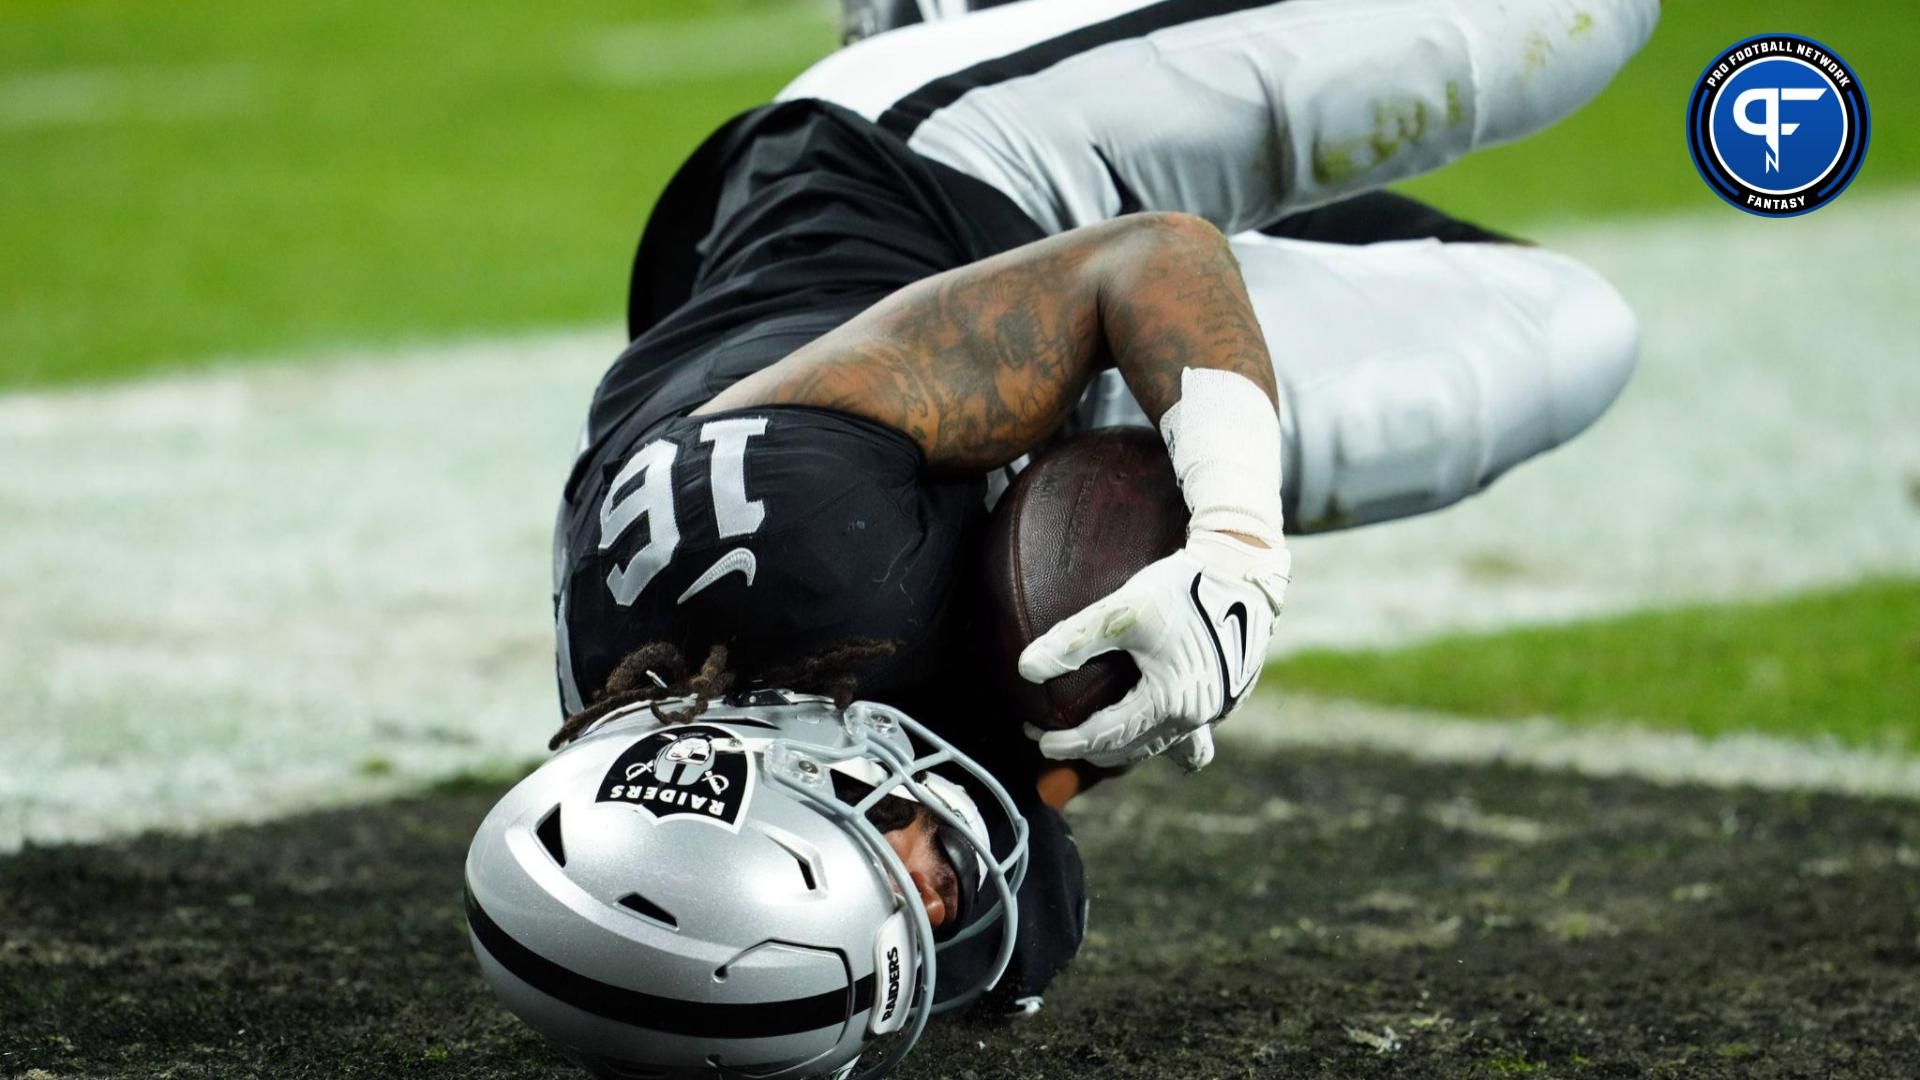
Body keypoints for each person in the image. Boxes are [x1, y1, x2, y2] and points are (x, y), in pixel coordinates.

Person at [465, 1, 1660, 1075]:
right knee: (1572, 338)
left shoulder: (803, 544)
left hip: (937, 185)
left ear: (784, 768)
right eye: (917, 934)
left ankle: (953, 18)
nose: (950, 899)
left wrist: (1236, 535)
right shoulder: (865, 847)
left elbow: (1148, 262)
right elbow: (1029, 823)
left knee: (1562, 23)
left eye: (901, 878)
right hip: (1017, 419)